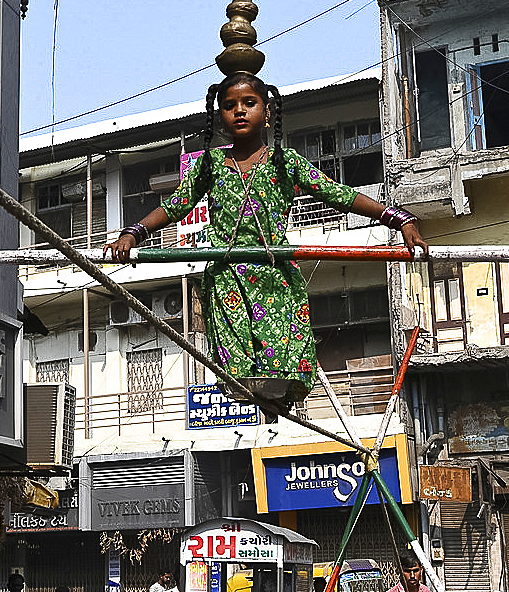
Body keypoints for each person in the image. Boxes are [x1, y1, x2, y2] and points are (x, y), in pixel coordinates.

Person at [104, 71, 428, 406]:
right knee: (238, 357)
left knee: (281, 354)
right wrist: (132, 233)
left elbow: (338, 194)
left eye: (249, 103)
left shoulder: (283, 162)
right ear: (219, 118)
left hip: (274, 274)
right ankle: (251, 396)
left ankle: (278, 398)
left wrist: (398, 218)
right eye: (229, 106)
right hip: (228, 275)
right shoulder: (210, 164)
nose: (240, 111)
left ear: (268, 111)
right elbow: (177, 205)